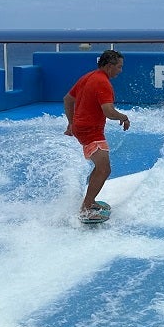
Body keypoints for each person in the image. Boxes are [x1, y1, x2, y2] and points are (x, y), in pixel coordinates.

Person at [63, 50, 131, 220]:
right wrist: (123, 117)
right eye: (119, 67)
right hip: (90, 131)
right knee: (104, 168)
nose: (121, 71)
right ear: (109, 66)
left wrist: (72, 123)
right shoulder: (103, 83)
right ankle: (86, 208)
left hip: (84, 128)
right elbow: (108, 111)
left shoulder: (89, 76)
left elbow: (67, 99)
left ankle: (90, 201)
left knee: (101, 167)